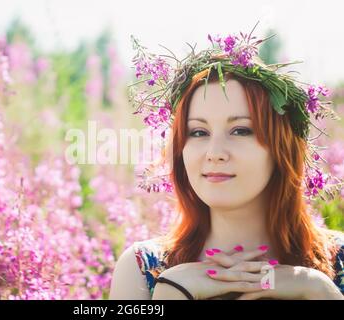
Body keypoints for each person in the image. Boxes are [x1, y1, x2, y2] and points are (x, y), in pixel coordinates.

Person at [109, 25, 344, 300]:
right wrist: (173, 291)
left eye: (241, 130)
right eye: (198, 132)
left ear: (282, 148)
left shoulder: (337, 262)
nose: (214, 152)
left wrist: (321, 291)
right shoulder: (142, 270)